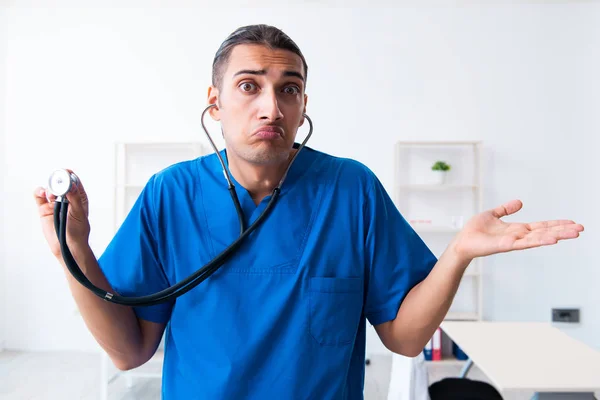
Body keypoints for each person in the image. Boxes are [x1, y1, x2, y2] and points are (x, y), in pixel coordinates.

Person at [33, 24, 584, 399]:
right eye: (249, 87)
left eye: (288, 89)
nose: (271, 107)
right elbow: (130, 351)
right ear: (215, 100)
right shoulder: (169, 196)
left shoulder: (352, 190)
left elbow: (405, 339)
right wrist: (73, 250)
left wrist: (459, 251)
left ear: (303, 106)